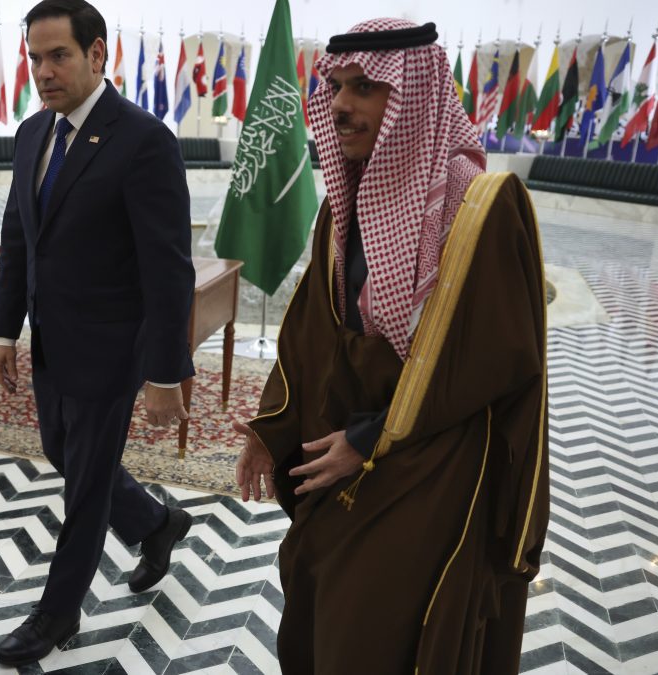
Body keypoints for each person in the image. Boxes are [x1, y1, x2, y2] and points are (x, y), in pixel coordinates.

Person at [232, 18, 550, 674]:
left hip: (435, 461)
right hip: (347, 448)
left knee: (373, 630)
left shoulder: (481, 207)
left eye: (366, 87)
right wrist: (273, 426)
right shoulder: (342, 204)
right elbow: (314, 329)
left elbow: (495, 354)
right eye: (335, 87)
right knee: (316, 599)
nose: (340, 105)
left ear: (414, 95)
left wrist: (374, 436)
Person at [0, 0, 196, 667]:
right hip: (51, 339)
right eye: (35, 58)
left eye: (59, 56)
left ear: (97, 53)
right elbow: (19, 236)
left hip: (112, 347)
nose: (44, 72)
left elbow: (168, 267)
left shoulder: (143, 140)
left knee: (84, 485)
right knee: (64, 451)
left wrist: (165, 371)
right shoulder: (31, 134)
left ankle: (57, 613)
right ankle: (157, 522)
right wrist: (3, 331)